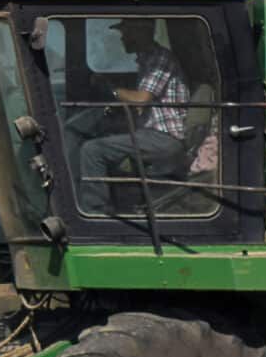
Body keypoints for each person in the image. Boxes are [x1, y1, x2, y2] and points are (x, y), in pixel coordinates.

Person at [69, 20, 194, 213]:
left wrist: (111, 90)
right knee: (100, 136)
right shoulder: (146, 61)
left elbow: (141, 100)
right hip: (152, 133)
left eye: (125, 33)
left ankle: (95, 212)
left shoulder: (160, 59)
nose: (122, 38)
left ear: (141, 32)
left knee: (92, 150)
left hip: (164, 138)